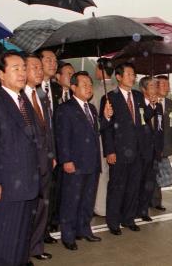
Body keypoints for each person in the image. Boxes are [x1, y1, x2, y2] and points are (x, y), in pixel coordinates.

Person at [0, 51, 40, 266]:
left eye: (23, 67)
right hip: (5, 185)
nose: (22, 73)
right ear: (1, 74)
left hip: (27, 183)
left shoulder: (24, 101)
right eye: (15, 68)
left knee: (21, 239)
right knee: (1, 240)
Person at [55, 71, 110, 250]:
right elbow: (62, 137)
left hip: (92, 163)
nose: (88, 87)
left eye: (89, 84)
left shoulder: (92, 109)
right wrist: (66, 160)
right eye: (84, 84)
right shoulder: (66, 108)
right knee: (71, 201)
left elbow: (97, 133)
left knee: (87, 199)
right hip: (75, 163)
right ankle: (68, 236)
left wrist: (106, 117)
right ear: (73, 88)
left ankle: (84, 230)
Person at [101, 63, 145, 235]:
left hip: (137, 150)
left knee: (133, 187)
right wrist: (109, 151)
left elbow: (142, 120)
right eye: (128, 74)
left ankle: (129, 218)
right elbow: (106, 128)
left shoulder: (138, 96)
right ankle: (113, 222)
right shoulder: (109, 98)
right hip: (118, 151)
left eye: (133, 74)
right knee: (117, 187)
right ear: (118, 77)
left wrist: (152, 106)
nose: (132, 77)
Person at [24, 54, 56, 261]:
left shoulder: (41, 96)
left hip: (45, 161)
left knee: (42, 206)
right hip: (25, 164)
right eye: (34, 67)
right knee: (26, 210)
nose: (39, 71)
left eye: (39, 67)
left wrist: (52, 154)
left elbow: (48, 129)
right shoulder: (18, 97)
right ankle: (22, 250)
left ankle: (36, 247)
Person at [37, 49, 61, 241]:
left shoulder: (56, 89)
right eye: (48, 60)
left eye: (55, 60)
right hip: (38, 151)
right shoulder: (31, 90)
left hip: (53, 149)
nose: (53, 63)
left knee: (49, 193)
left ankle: (44, 231)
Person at [137, 76, 164, 222]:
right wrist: (151, 107)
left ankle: (144, 210)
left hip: (154, 151)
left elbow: (160, 128)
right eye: (152, 86)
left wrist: (160, 147)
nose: (156, 89)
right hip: (142, 151)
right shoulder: (139, 105)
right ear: (144, 89)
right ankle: (134, 209)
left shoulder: (159, 106)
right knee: (138, 182)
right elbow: (143, 121)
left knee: (150, 183)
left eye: (156, 86)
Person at [93, 58, 117, 217]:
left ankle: (100, 207)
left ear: (100, 70)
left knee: (101, 172)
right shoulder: (117, 89)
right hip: (117, 137)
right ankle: (112, 205)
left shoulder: (93, 90)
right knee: (113, 174)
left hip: (99, 136)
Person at [151, 75, 172, 211]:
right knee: (151, 174)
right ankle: (150, 200)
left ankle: (156, 201)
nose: (167, 88)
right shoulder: (150, 102)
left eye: (168, 85)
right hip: (151, 145)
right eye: (164, 85)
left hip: (165, 144)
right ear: (156, 86)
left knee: (158, 175)